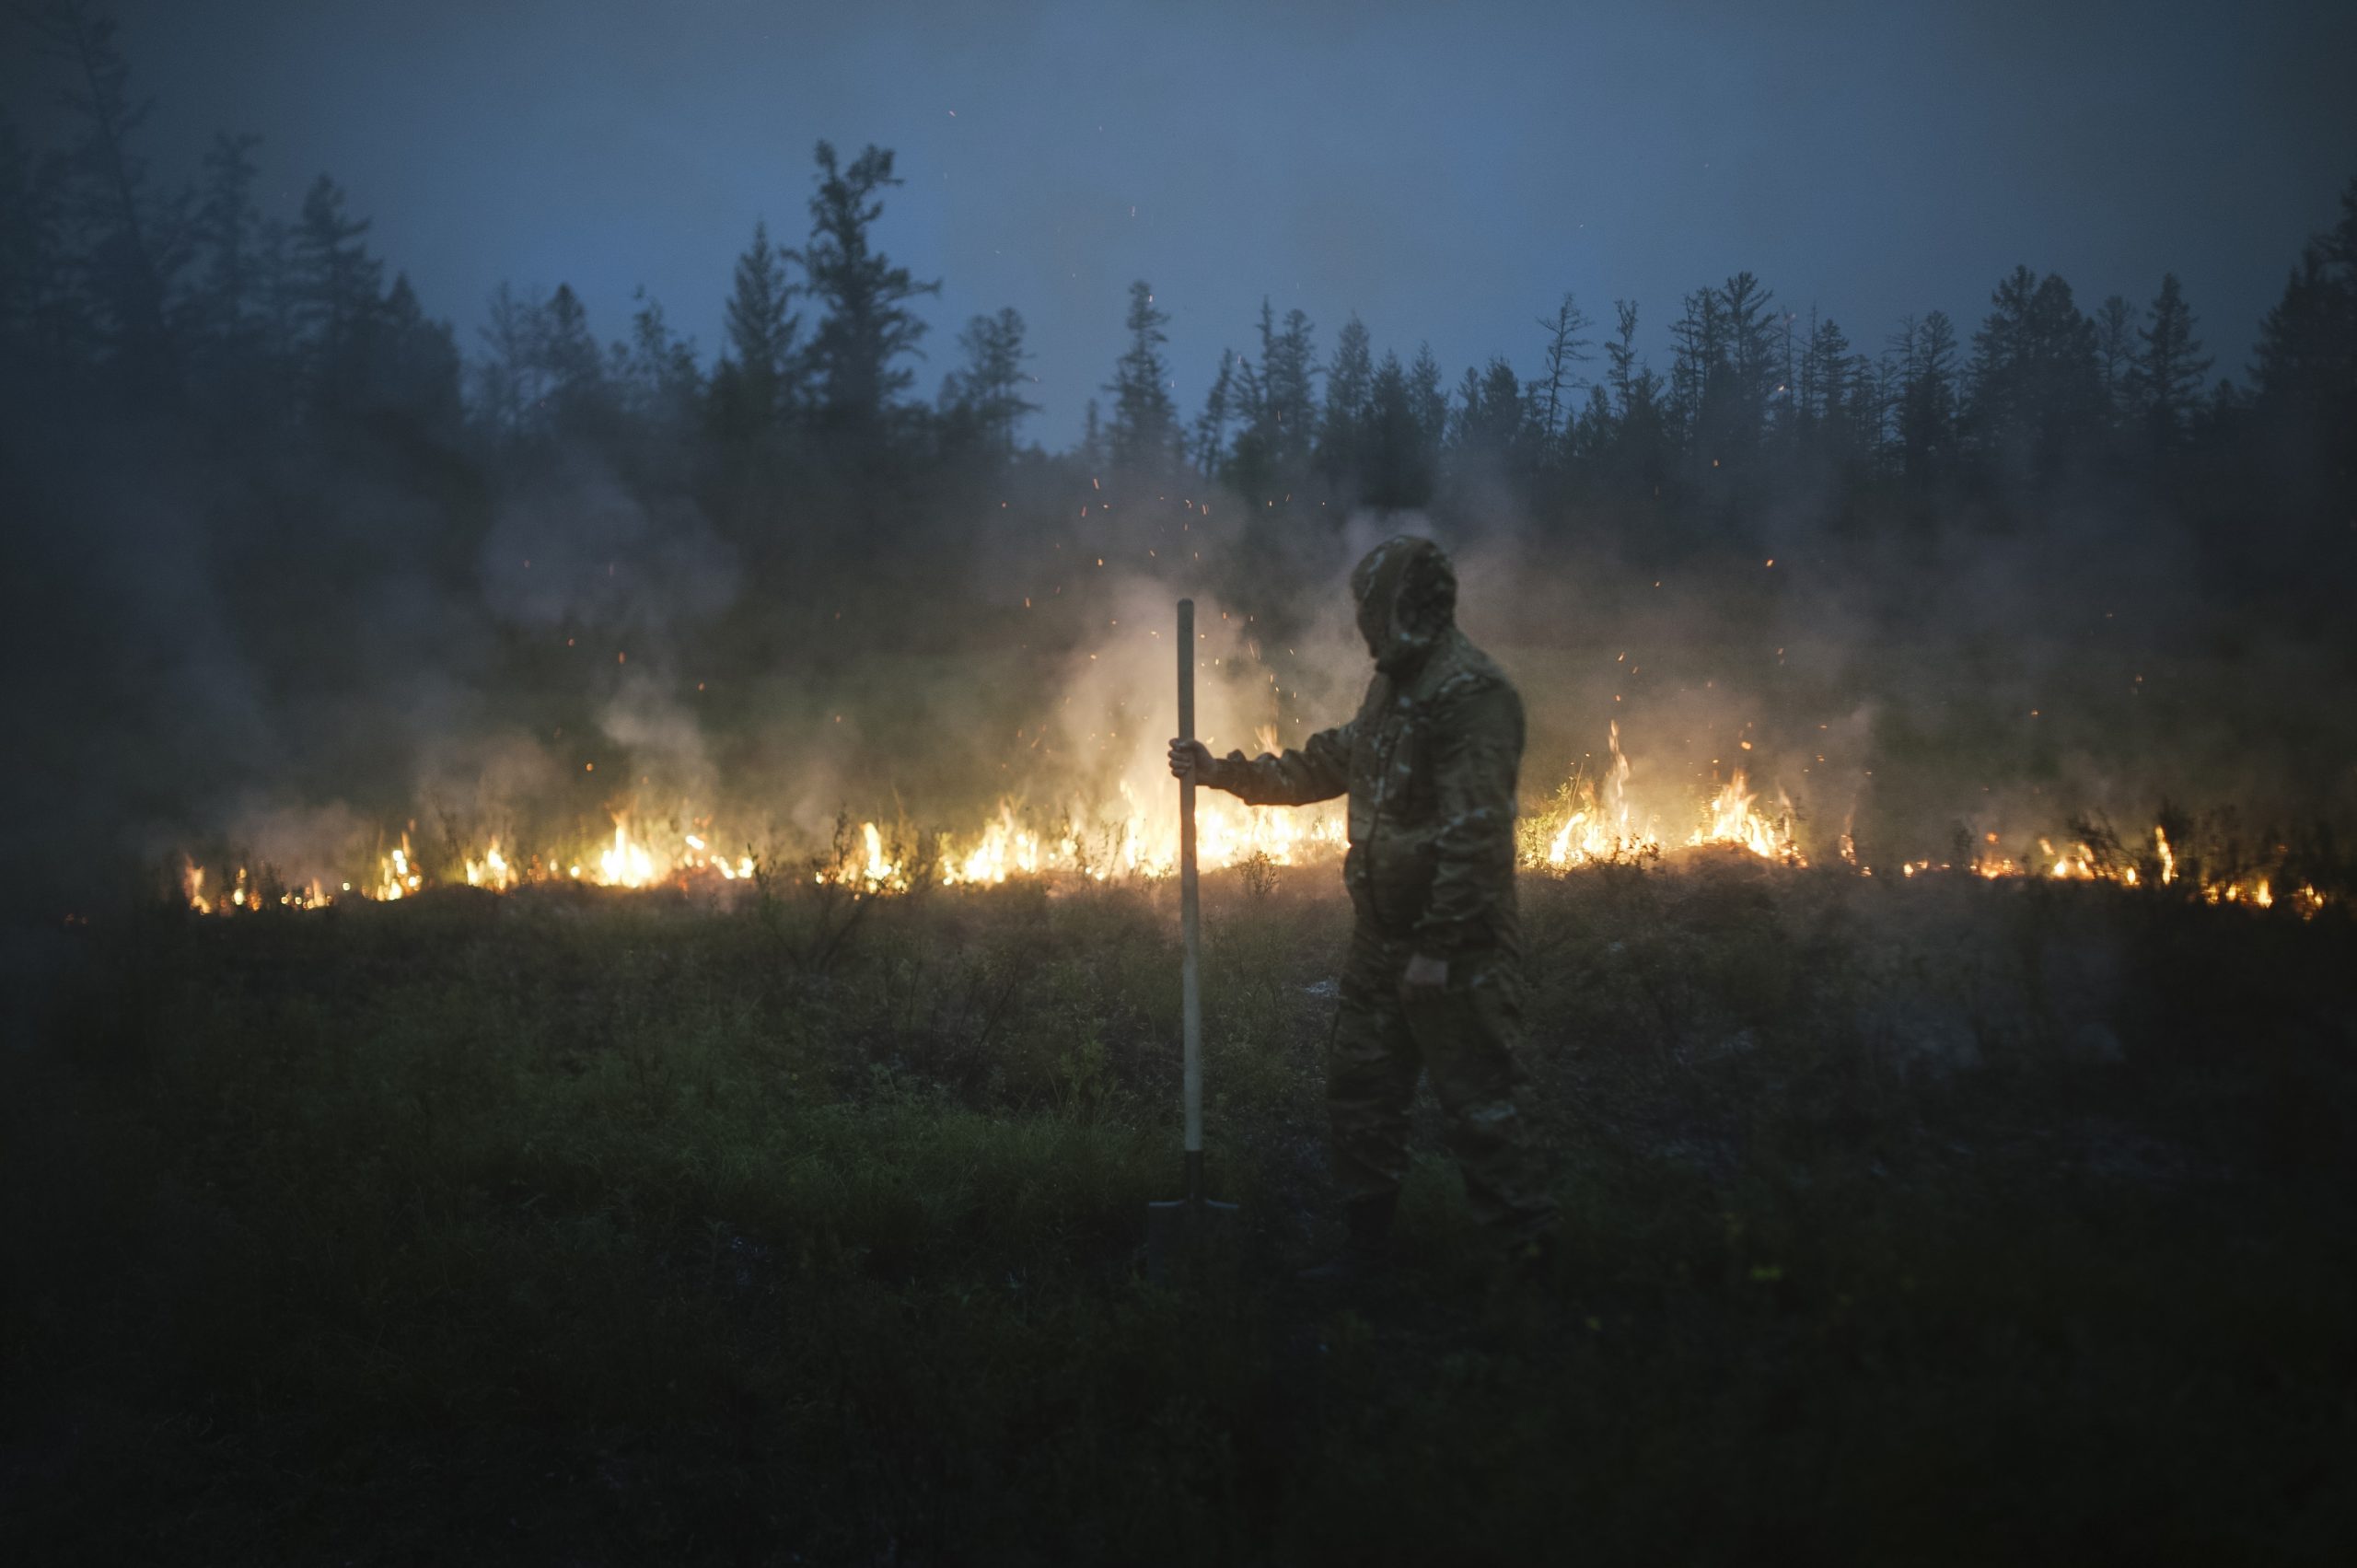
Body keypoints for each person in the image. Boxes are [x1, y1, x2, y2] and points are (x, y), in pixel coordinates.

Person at [1167, 536, 1556, 1282]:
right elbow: (1327, 761)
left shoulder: (1472, 695)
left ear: (1406, 607)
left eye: (1369, 610)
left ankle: (1527, 1277)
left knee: (1485, 1114)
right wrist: (1221, 772)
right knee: (1362, 1097)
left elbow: (1478, 837)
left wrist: (1437, 950)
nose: (1362, 626)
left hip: (1459, 953)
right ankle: (1366, 1258)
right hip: (1381, 942)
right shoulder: (1391, 689)